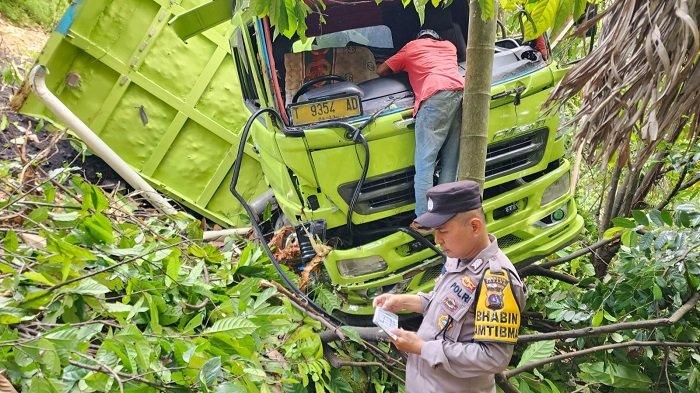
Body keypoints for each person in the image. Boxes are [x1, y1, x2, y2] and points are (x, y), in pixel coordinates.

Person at [373, 180, 526, 393]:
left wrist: (423, 348)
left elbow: (494, 357)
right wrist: (406, 301)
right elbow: (448, 306)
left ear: (474, 226)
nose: (437, 240)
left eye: (443, 231)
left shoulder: (495, 279)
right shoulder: (459, 256)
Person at [376, 29, 464, 217]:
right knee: (451, 160)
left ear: (419, 38)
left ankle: (425, 217)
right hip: (459, 94)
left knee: (425, 162)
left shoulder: (412, 47)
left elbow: (381, 70)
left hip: (434, 98)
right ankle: (446, 211)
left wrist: (404, 66)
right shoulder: (449, 46)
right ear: (436, 38)